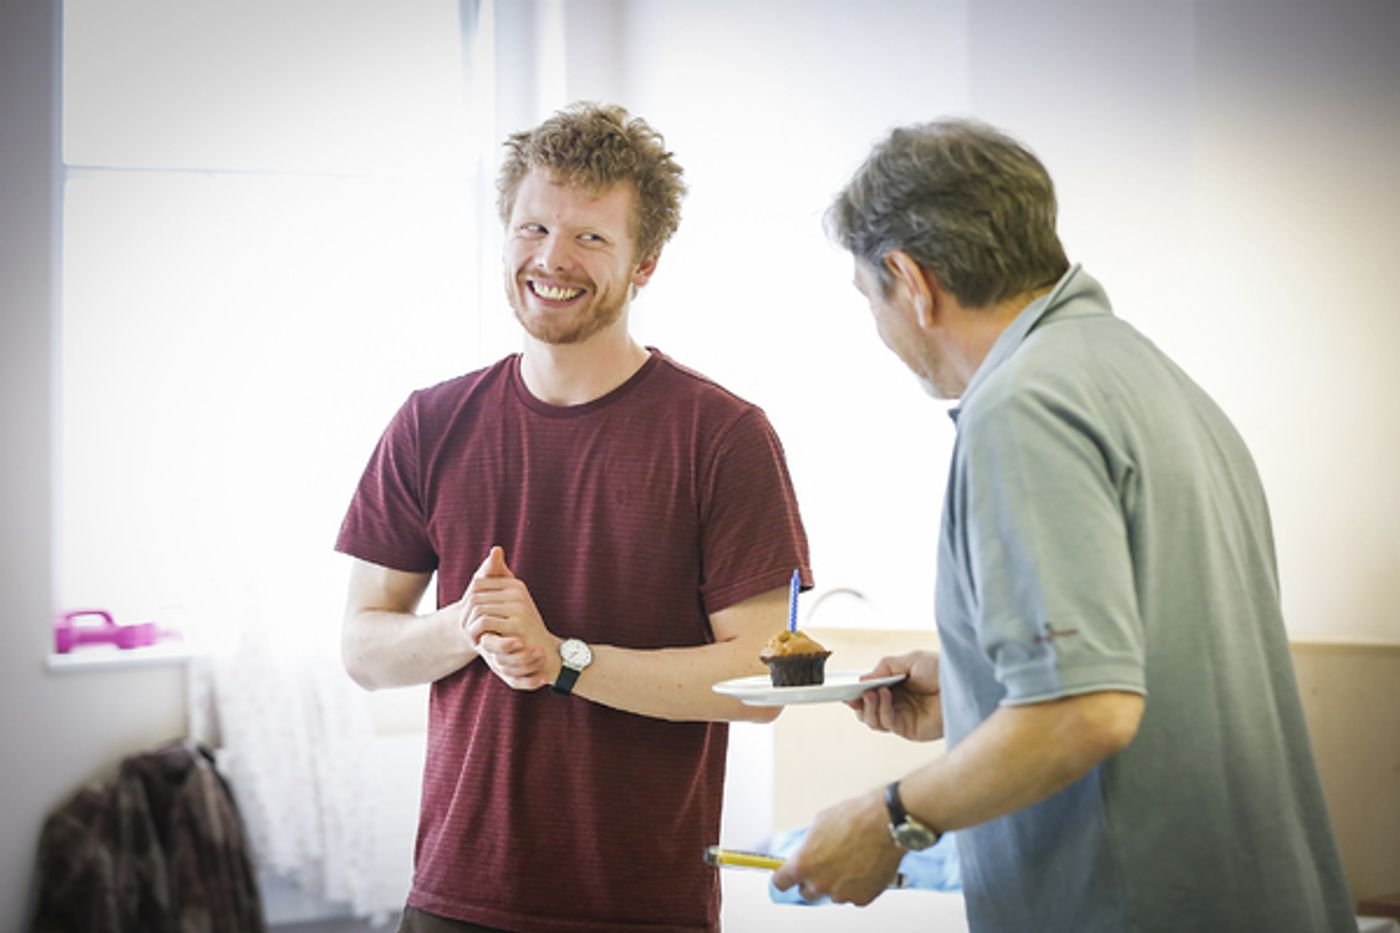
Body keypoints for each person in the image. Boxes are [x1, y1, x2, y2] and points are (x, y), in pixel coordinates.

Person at [772, 118, 1355, 932]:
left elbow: (1089, 709)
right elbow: (1143, 659)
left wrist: (888, 818)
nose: (879, 325)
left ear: (911, 280)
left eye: (870, 297)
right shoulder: (1147, 377)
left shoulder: (1022, 408)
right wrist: (977, 689)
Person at [336, 102, 811, 933]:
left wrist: (564, 660)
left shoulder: (723, 435)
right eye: (532, 227)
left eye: (591, 237)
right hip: (452, 897)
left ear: (646, 262)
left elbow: (763, 681)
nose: (552, 258)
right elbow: (364, 649)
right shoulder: (430, 421)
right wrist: (466, 627)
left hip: (640, 907)